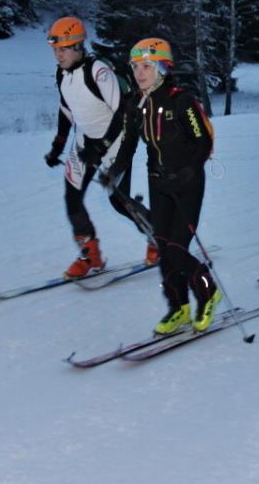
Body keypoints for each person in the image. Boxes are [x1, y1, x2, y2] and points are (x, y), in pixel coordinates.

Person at [104, 38, 220, 335]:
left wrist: (185, 173)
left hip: (187, 182)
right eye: (135, 67)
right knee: (164, 249)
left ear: (162, 68)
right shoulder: (135, 104)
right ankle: (178, 307)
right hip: (157, 182)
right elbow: (128, 144)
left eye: (146, 66)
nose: (139, 73)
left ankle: (208, 291)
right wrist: (114, 172)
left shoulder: (181, 100)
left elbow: (203, 142)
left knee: (178, 249)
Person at [44, 17, 151, 279]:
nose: (58, 55)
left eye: (63, 49)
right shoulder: (62, 74)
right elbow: (66, 111)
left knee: (119, 201)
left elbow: (123, 115)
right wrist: (58, 146)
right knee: (72, 197)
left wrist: (101, 148)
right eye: (55, 49)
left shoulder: (98, 72)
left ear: (78, 46)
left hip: (116, 142)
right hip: (85, 141)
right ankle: (90, 255)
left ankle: (160, 237)